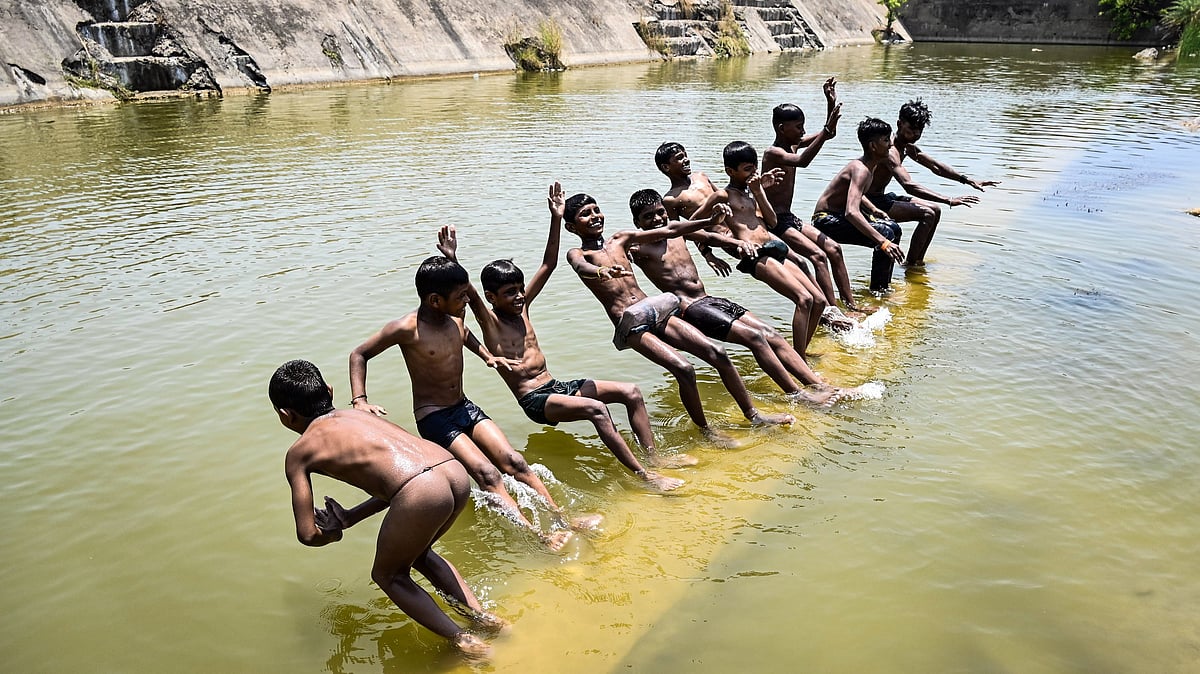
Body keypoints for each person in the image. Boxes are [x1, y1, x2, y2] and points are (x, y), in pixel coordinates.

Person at [435, 182, 690, 491]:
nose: (518, 297)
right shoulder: (489, 319)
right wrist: (452, 258)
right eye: (509, 293)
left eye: (519, 290)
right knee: (597, 410)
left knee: (631, 392)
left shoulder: (523, 307)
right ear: (492, 297)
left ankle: (654, 459)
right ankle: (645, 478)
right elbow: (470, 294)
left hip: (556, 385)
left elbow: (549, 264)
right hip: (535, 399)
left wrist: (556, 217)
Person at [270, 359, 502, 660]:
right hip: (453, 472)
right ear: (329, 390)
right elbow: (405, 476)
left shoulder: (299, 454)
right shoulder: (360, 415)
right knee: (420, 555)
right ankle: (487, 620)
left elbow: (308, 535)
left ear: (286, 415)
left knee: (388, 575)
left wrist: (333, 533)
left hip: (421, 490)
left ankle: (465, 642)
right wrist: (352, 516)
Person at [348, 256, 576, 550]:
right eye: (460, 297)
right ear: (435, 300)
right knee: (488, 474)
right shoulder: (406, 328)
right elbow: (359, 354)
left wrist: (487, 356)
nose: (467, 300)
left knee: (515, 462)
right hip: (434, 417)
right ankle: (540, 539)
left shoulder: (456, 319)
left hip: (463, 406)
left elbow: (466, 336)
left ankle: (562, 519)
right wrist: (360, 400)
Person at [563, 191, 795, 439]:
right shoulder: (578, 253)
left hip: (655, 310)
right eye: (585, 214)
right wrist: (601, 272)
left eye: (596, 210)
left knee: (717, 353)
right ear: (571, 226)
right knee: (684, 368)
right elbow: (581, 267)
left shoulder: (621, 239)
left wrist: (707, 222)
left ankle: (753, 416)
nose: (595, 216)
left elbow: (670, 231)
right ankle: (707, 432)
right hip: (630, 323)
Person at [627, 188, 847, 406]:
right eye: (648, 217)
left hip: (707, 299)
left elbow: (710, 236)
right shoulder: (638, 247)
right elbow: (616, 254)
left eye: (660, 213)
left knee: (771, 334)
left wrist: (738, 243)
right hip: (689, 308)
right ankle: (799, 394)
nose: (657, 219)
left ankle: (818, 384)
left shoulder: (676, 231)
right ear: (637, 223)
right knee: (755, 338)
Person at [692, 141, 827, 357]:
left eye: (754, 168)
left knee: (818, 301)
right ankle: (799, 358)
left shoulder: (751, 193)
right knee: (804, 299)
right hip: (758, 257)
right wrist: (709, 251)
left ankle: (800, 352)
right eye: (747, 169)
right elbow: (690, 225)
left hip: (773, 248)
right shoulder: (723, 196)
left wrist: (759, 191)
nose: (753, 173)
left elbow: (772, 222)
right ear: (730, 171)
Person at [760, 77, 867, 319]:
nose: (803, 132)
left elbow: (827, 135)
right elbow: (804, 161)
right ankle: (834, 312)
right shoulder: (773, 153)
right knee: (818, 256)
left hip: (788, 217)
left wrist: (830, 104)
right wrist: (827, 129)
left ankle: (851, 306)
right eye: (798, 127)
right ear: (781, 129)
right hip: (774, 220)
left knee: (834, 249)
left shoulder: (794, 144)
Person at [865, 98, 1000, 265]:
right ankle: (910, 265)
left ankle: (916, 262)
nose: (915, 135)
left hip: (882, 197)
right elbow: (909, 186)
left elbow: (936, 167)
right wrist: (948, 199)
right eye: (911, 130)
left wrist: (967, 180)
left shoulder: (906, 147)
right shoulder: (890, 151)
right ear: (899, 124)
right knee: (928, 214)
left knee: (935, 210)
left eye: (919, 131)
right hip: (869, 203)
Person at [811, 117, 906, 292]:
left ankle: (884, 285)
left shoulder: (869, 166)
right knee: (886, 234)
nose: (890, 145)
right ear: (872, 146)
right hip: (824, 220)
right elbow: (851, 213)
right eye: (886, 141)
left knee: (894, 228)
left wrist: (873, 209)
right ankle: (878, 291)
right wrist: (883, 242)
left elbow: (855, 193)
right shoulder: (861, 169)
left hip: (836, 216)